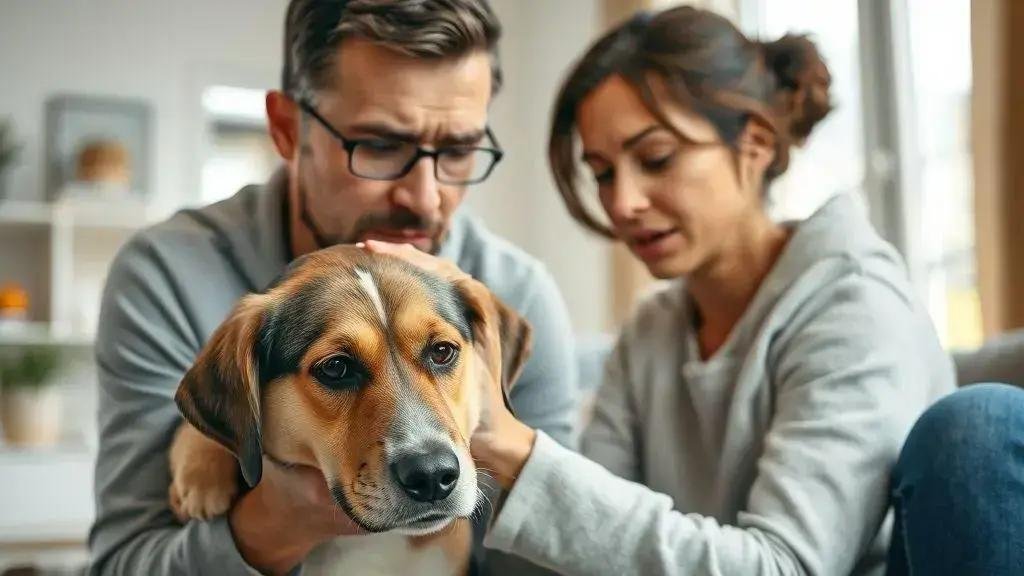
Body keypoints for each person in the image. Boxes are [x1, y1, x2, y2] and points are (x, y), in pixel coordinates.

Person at [448, 6, 957, 575]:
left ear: (757, 144)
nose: (623, 204)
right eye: (604, 172)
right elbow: (577, 547)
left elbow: (786, 568)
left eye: (656, 159)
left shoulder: (857, 309)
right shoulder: (651, 331)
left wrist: (517, 452)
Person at [87, 1, 576, 575]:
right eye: (380, 146)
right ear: (287, 129)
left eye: (458, 150)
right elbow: (127, 562)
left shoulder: (514, 292)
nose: (424, 197)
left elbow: (548, 558)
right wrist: (269, 508)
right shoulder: (166, 275)